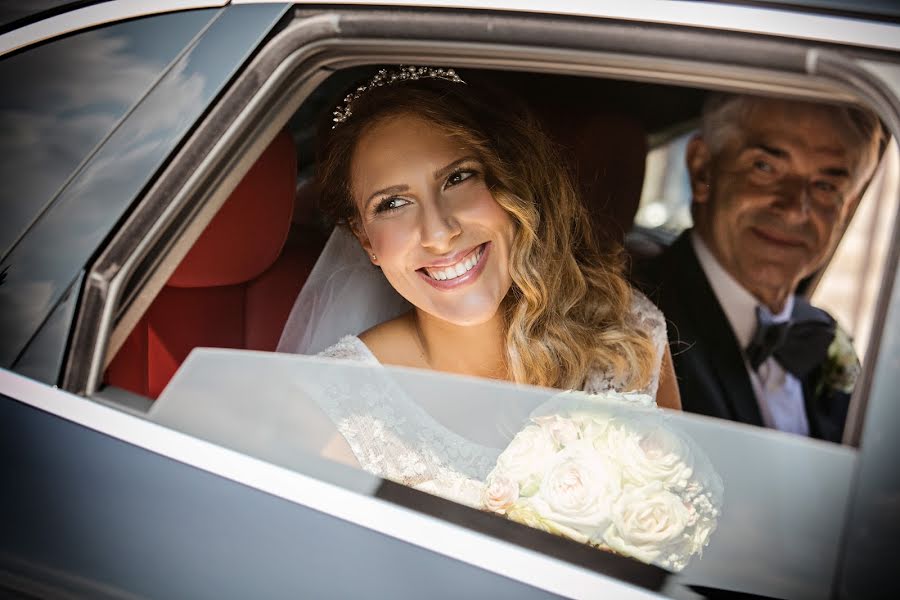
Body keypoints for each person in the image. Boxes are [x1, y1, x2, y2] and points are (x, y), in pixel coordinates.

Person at [635, 93, 882, 443]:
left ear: (847, 207)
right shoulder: (630, 326)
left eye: (826, 186)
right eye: (765, 168)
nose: (796, 208)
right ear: (703, 168)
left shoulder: (820, 334)